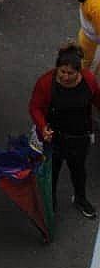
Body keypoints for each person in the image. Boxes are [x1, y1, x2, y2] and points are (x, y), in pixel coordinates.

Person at [30, 44, 100, 219]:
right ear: (57, 69)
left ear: (79, 72)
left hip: (80, 137)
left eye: (71, 73)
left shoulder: (89, 80)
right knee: (52, 172)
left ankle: (80, 198)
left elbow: (97, 99)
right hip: (55, 137)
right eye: (62, 72)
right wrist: (42, 126)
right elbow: (35, 107)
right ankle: (50, 201)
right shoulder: (46, 83)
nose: (66, 77)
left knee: (78, 171)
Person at [77, 0, 100, 75]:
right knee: (89, 69)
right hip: (95, 45)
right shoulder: (97, 7)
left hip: (85, 38)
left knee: (84, 62)